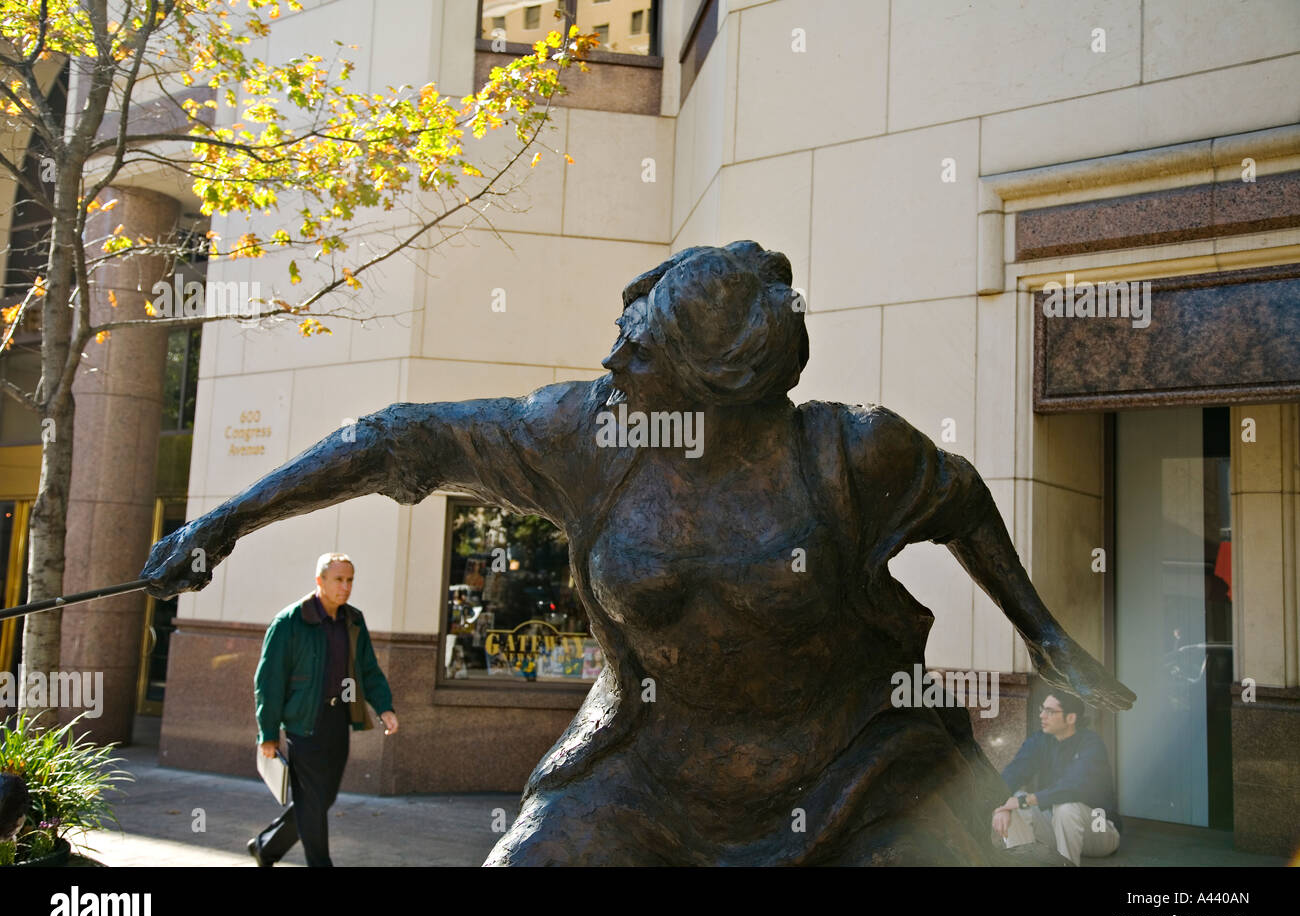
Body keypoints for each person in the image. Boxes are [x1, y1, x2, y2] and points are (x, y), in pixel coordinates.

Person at [143, 241, 1133, 865]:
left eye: (645, 350)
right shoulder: (589, 432)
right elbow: (402, 437)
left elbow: (960, 502)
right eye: (623, 335)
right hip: (647, 769)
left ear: (725, 381)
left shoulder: (850, 451)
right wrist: (219, 522)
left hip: (848, 765)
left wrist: (1046, 634)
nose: (615, 361)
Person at [247, 553, 398, 867]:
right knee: (313, 799)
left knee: (319, 799)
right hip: (304, 721)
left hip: (339, 718)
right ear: (320, 581)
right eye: (338, 580)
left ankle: (267, 847)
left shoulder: (353, 620)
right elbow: (269, 681)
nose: (345, 587)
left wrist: (384, 707)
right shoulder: (289, 622)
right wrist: (269, 732)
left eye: (350, 580)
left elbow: (368, 669)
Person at [991, 691, 1122, 865]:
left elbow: (1072, 787)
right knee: (1012, 802)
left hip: (1099, 830)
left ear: (1071, 718)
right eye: (1042, 709)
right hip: (1056, 829)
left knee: (1066, 807)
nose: (1042, 715)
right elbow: (1014, 773)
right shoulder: (1040, 740)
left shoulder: (1091, 744)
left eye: (1050, 712)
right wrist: (1002, 805)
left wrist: (1024, 801)